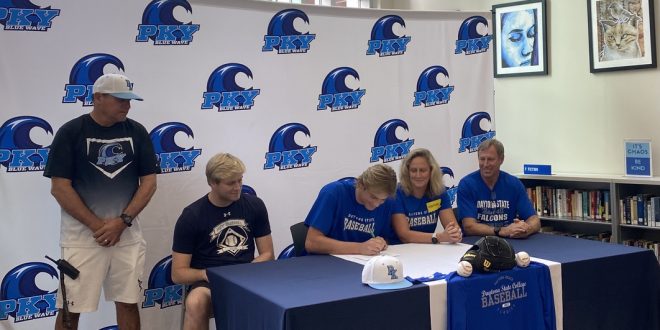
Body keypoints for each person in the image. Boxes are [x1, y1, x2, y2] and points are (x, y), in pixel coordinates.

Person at [44, 73, 158, 330]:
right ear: (98, 98)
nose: (127, 106)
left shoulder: (137, 131)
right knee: (71, 308)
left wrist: (122, 222)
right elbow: (60, 189)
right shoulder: (71, 132)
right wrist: (98, 226)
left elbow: (149, 183)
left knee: (128, 303)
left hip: (126, 235)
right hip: (83, 239)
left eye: (129, 100)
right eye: (120, 100)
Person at [171, 153, 274, 330]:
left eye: (240, 180)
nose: (238, 187)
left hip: (247, 277)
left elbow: (268, 254)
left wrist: (248, 269)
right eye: (230, 183)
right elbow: (178, 274)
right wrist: (206, 274)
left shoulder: (255, 206)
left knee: (278, 296)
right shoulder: (192, 216)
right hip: (209, 282)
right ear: (212, 183)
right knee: (196, 302)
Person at [304, 164, 397, 255]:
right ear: (360, 185)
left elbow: (385, 237)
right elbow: (312, 243)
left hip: (363, 262)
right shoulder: (333, 193)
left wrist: (381, 243)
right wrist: (359, 248)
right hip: (326, 263)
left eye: (382, 200)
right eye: (373, 197)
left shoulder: (388, 203)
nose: (377, 204)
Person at [457, 139, 540, 238]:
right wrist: (501, 231)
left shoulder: (514, 184)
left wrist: (526, 229)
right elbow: (469, 227)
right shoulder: (466, 184)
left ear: (501, 160)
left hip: (509, 241)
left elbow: (534, 219)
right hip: (477, 242)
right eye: (482, 159)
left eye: (490, 159)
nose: (485, 164)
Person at [392, 148, 462, 244]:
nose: (418, 175)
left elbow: (452, 226)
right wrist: (438, 237)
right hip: (400, 250)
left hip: (428, 249)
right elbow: (404, 235)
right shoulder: (397, 192)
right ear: (407, 172)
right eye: (413, 170)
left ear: (431, 171)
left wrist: (455, 234)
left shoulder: (439, 191)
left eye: (423, 170)